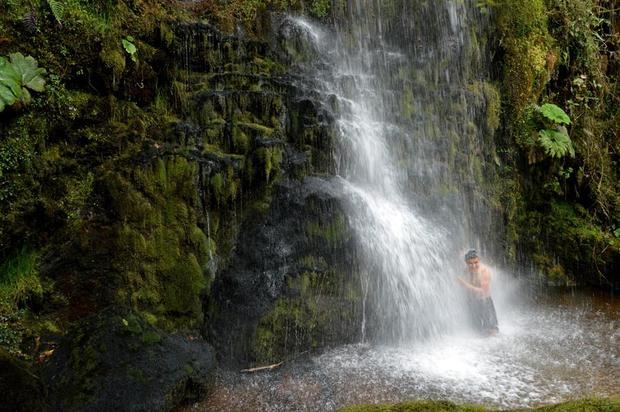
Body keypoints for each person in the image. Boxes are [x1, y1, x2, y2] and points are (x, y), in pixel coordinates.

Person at [457, 249, 499, 336]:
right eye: (470, 263)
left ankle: (494, 346)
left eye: (476, 262)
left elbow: (483, 291)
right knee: (476, 330)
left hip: (485, 302)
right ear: (466, 262)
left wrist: (464, 284)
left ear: (479, 260)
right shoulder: (466, 270)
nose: (473, 266)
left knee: (491, 330)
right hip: (472, 303)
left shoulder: (484, 271)